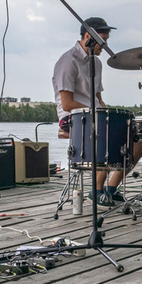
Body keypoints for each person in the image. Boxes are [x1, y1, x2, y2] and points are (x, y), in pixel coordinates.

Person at [52, 17, 131, 205]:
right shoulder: (68, 61)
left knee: (136, 137)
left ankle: (110, 189)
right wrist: (99, 113)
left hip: (95, 115)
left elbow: (98, 99)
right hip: (73, 118)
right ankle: (96, 192)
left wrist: (108, 113)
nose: (104, 46)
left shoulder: (97, 63)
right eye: (102, 40)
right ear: (88, 36)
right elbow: (67, 104)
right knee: (107, 134)